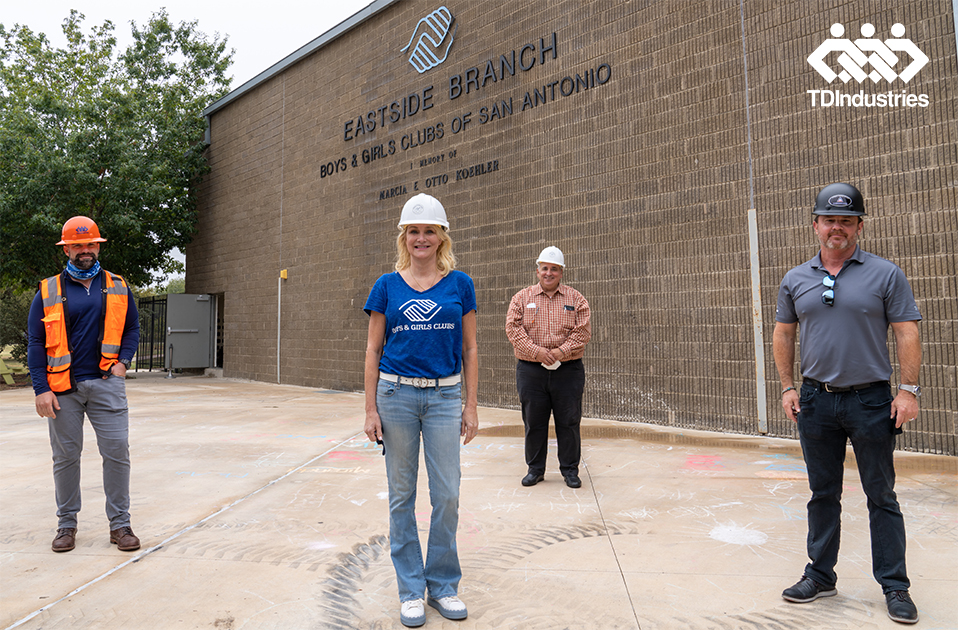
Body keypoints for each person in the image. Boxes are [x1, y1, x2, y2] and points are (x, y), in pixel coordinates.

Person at [773, 183, 922, 625]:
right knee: (823, 494)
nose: (836, 227)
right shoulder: (796, 278)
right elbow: (784, 332)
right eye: (828, 219)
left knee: (882, 494)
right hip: (816, 400)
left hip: (872, 400)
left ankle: (895, 586)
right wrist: (787, 386)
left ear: (858, 225)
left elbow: (907, 331)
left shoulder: (885, 274)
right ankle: (820, 575)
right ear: (815, 224)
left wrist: (908, 390)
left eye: (846, 220)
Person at [363, 193, 479, 628]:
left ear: (441, 236)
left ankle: (443, 585)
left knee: (447, 493)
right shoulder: (386, 286)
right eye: (414, 230)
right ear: (403, 237)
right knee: (401, 497)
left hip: (446, 398)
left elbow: (470, 347)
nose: (421, 238)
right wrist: (370, 408)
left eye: (430, 230)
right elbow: (374, 350)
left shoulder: (460, 284)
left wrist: (471, 404)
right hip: (396, 397)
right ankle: (411, 589)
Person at [27, 216, 141, 553]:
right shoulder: (48, 291)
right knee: (65, 457)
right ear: (66, 249)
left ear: (98, 246)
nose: (85, 251)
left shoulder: (118, 285)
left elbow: (132, 328)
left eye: (90, 244)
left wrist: (123, 363)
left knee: (117, 452)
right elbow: (36, 342)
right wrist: (40, 388)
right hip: (63, 389)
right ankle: (66, 525)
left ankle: (120, 525)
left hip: (107, 383)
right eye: (77, 246)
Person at [505, 246, 592, 489]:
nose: (549, 273)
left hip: (568, 371)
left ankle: (570, 471)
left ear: (561, 272)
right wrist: (538, 353)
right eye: (545, 268)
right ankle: (535, 469)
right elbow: (513, 329)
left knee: (569, 421)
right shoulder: (521, 298)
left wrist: (558, 353)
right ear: (538, 271)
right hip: (531, 371)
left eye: (554, 269)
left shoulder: (576, 300)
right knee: (534, 422)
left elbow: (583, 332)